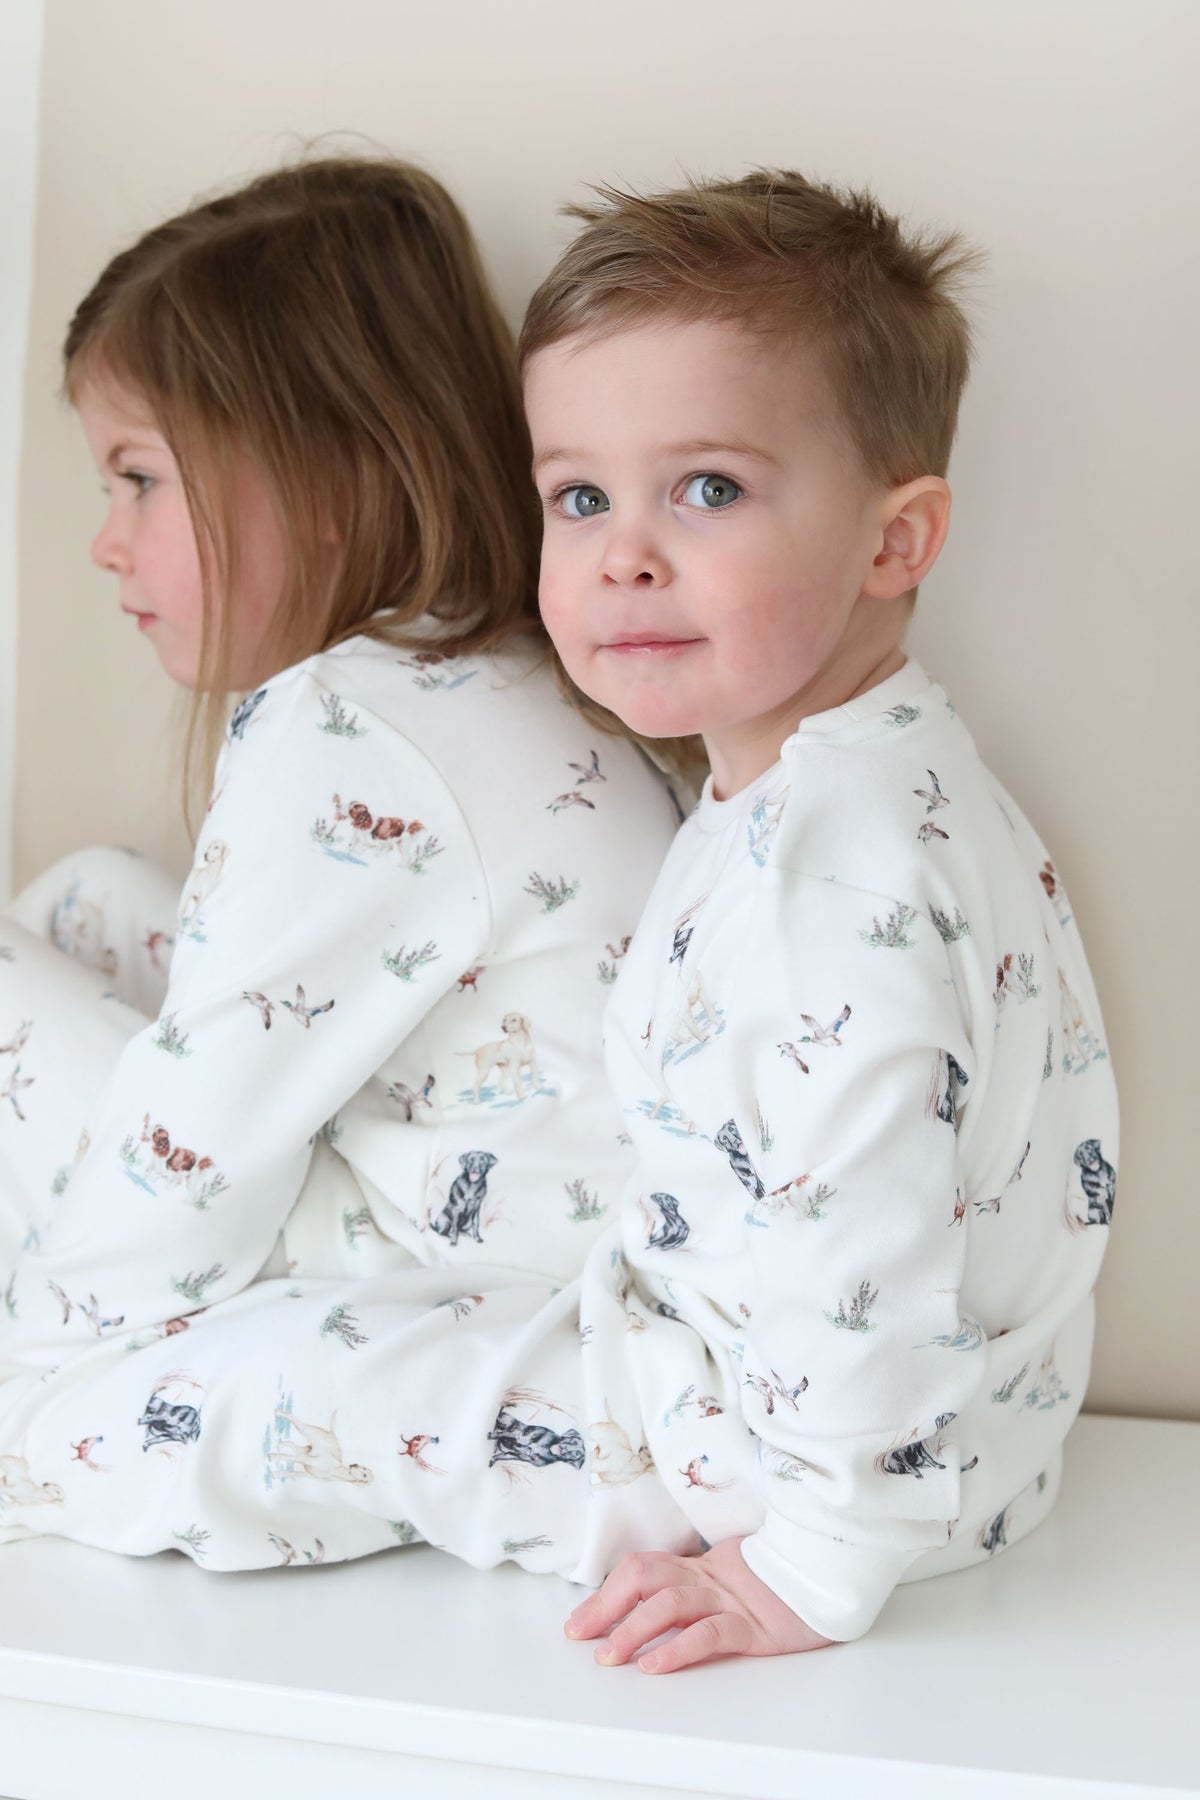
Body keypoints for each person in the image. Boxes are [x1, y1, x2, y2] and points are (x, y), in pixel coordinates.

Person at [0, 157, 683, 1570]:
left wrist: (42, 1383)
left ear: (315, 471)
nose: (105, 543)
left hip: (446, 1270)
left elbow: (197, 1143)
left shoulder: (354, 728)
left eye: (140, 480)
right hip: (487, 1204)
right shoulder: (485, 673)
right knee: (83, 898)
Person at [519, 171, 1119, 1670]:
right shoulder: (859, 780)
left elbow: (862, 1226)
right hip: (934, 1448)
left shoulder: (835, 878)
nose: (623, 553)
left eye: (707, 489)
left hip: (804, 1483)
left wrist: (804, 1568)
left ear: (894, 542)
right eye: (579, 497)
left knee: (287, 1399)